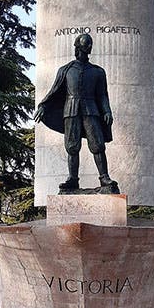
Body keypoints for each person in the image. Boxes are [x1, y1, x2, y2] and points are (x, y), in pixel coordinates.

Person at [34, 33, 118, 192]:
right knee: (72, 147)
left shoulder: (98, 72)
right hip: (70, 111)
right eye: (85, 46)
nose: (87, 49)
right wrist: (43, 106)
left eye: (89, 46)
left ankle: (104, 177)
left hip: (91, 110)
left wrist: (107, 111)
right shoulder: (65, 70)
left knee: (97, 144)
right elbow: (55, 91)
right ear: (78, 47)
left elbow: (102, 95)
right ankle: (73, 179)